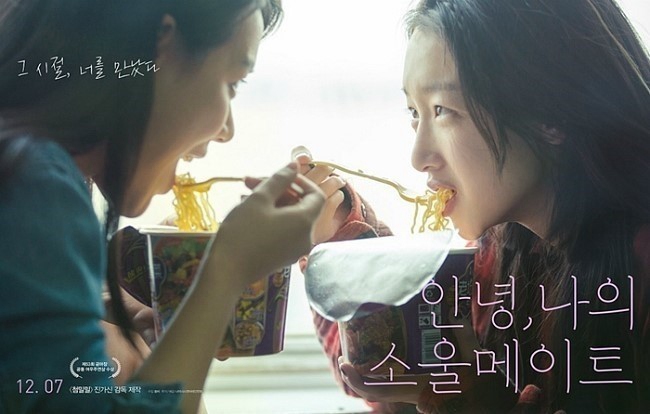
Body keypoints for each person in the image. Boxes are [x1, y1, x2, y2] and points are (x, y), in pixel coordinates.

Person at [306, 0, 650, 413]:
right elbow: (397, 368)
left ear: (551, 114)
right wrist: (345, 234)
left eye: (443, 110)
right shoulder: (494, 257)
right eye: (414, 113)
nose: (419, 157)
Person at [0, 1, 332, 413]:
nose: (227, 131)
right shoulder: (33, 185)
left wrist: (80, 307)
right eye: (232, 83)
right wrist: (228, 268)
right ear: (163, 45)